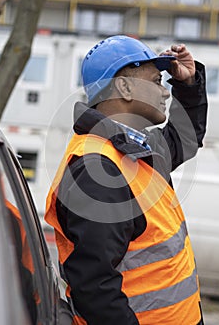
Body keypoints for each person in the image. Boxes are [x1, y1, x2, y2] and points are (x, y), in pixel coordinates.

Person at [45, 35, 207, 325]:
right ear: (125, 87)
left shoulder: (134, 149)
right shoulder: (97, 169)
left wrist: (188, 84)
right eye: (157, 81)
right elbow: (95, 289)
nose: (165, 93)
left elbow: (186, 138)